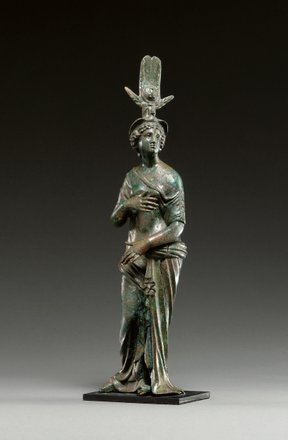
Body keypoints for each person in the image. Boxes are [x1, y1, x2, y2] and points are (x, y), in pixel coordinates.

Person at [100, 118, 186, 395]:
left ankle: (155, 377)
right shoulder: (131, 177)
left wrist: (145, 244)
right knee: (130, 317)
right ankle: (129, 375)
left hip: (161, 253)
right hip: (132, 254)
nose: (153, 139)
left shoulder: (171, 178)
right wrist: (128, 203)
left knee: (156, 318)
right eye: (146, 135)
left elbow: (177, 225)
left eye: (157, 135)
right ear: (136, 143)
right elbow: (115, 220)